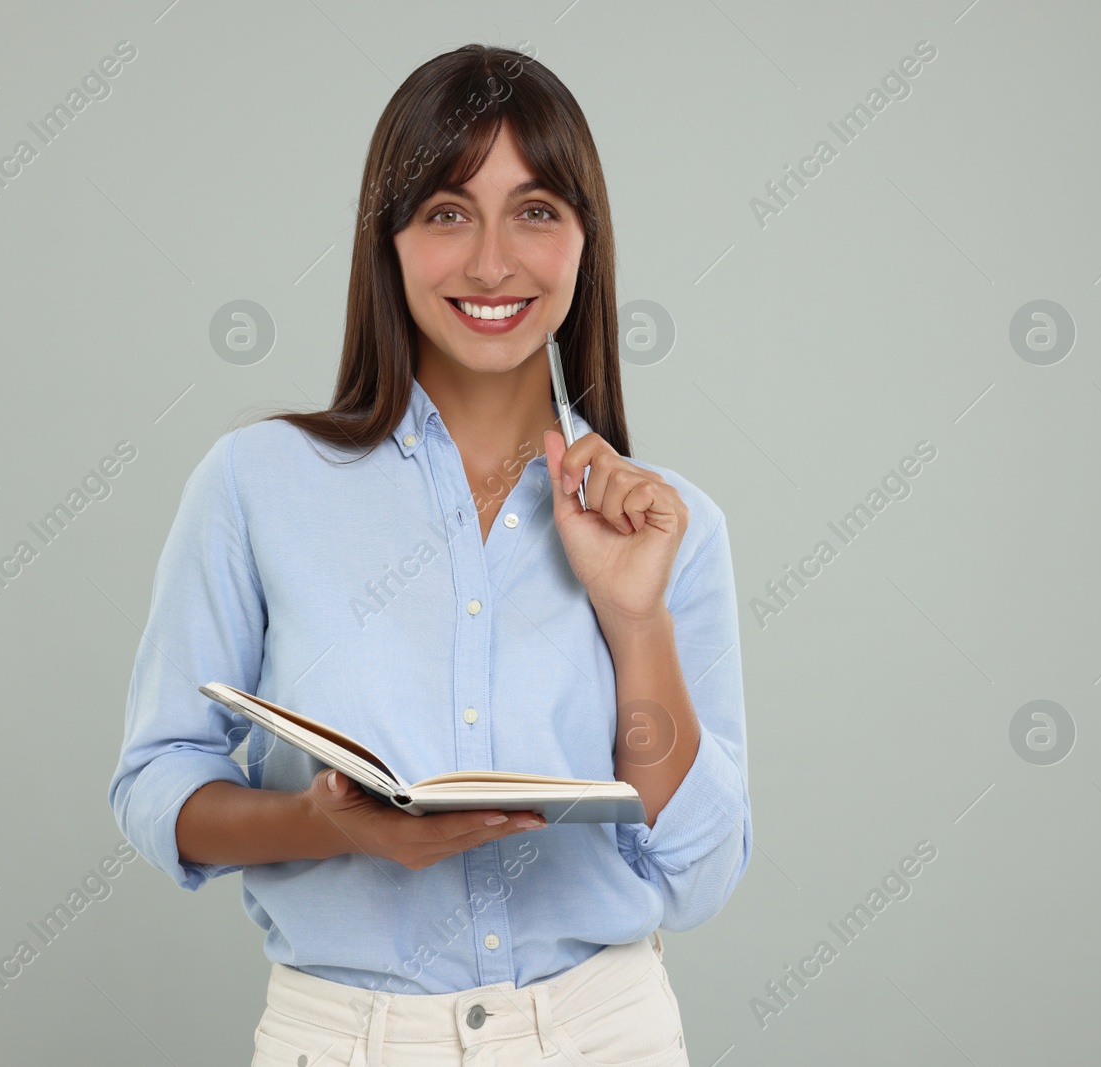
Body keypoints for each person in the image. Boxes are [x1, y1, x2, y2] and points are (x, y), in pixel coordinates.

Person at [108, 42, 751, 1066]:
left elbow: (699, 872)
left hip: (603, 1034)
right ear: (390, 240)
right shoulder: (254, 483)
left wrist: (635, 617)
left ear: (585, 238)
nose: (492, 262)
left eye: (536, 210)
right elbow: (157, 785)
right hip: (348, 1037)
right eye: (448, 211)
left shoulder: (670, 526)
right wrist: (330, 824)